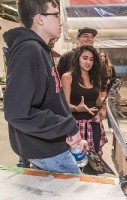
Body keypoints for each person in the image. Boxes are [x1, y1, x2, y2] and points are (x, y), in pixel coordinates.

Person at [3, 0, 88, 174]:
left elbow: (50, 101)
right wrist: (68, 127)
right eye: (55, 15)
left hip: (53, 144)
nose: (60, 21)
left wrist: (70, 135)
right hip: (47, 150)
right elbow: (18, 112)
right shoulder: (29, 50)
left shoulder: (40, 49)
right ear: (40, 19)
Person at [61, 45, 108, 161]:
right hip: (75, 127)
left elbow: (97, 101)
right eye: (85, 58)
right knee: (76, 161)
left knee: (94, 160)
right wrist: (77, 108)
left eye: (91, 59)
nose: (88, 62)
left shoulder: (95, 78)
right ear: (77, 58)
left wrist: (106, 101)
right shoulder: (68, 77)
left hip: (94, 125)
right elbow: (65, 105)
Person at [57, 27, 108, 94]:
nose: (89, 39)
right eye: (85, 36)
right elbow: (57, 81)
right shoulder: (67, 56)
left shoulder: (99, 61)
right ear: (78, 38)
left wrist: (104, 100)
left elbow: (103, 88)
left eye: (92, 37)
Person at [99, 50, 117, 132]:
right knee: (100, 108)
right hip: (100, 90)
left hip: (108, 90)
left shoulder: (111, 67)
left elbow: (115, 77)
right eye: (101, 56)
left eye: (104, 56)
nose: (102, 57)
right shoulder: (96, 67)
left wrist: (109, 80)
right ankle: (99, 125)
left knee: (109, 108)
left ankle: (111, 126)